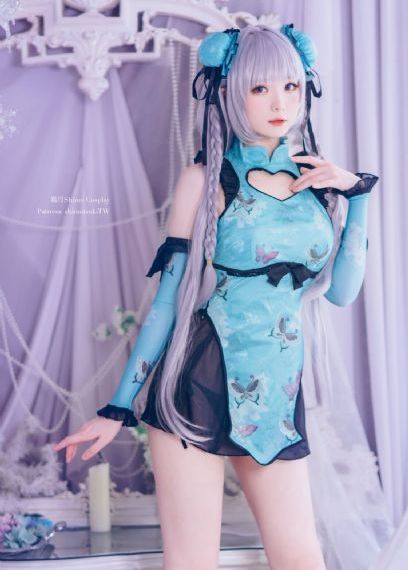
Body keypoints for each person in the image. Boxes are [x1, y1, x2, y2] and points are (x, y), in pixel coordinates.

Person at [53, 24, 378, 570]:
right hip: (198, 380)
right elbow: (166, 303)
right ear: (230, 92)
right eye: (260, 88)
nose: (279, 103)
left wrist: (358, 194)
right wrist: (117, 407)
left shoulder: (319, 184)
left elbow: (343, 293)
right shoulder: (204, 180)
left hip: (277, 392)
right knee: (191, 563)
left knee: (302, 558)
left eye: (291, 86)